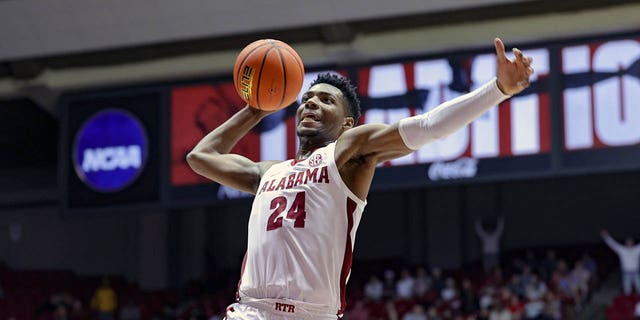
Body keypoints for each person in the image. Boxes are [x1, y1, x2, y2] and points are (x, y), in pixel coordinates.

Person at [187, 38, 533, 319]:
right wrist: (257, 107)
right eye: (306, 99)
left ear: (347, 123)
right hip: (250, 311)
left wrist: (498, 89)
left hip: (311, 314)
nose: (310, 104)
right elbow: (200, 158)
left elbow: (429, 127)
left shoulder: (349, 152)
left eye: (326, 100)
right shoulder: (268, 172)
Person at [601, 229, 640, 295]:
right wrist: (606, 236)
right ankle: (629, 304)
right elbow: (613, 244)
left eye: (630, 241)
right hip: (626, 273)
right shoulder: (622, 250)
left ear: (632, 242)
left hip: (636, 272)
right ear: (626, 242)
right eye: (628, 241)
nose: (629, 243)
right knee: (627, 291)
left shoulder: (636, 249)